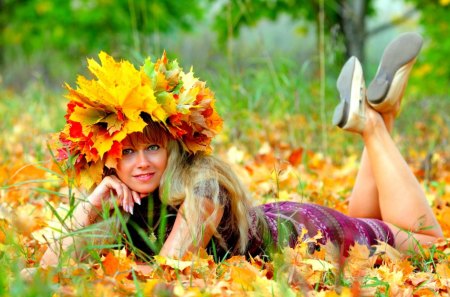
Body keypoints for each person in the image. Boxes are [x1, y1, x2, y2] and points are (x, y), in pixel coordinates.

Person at [40, 32, 443, 267]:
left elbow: (170, 271)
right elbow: (48, 268)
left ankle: (370, 124)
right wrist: (91, 203)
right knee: (365, 218)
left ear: (174, 147)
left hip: (308, 237)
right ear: (109, 158)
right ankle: (382, 112)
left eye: (152, 148)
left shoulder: (201, 188)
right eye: (127, 153)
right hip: (284, 222)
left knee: (428, 244)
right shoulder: (125, 202)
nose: (141, 163)